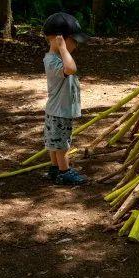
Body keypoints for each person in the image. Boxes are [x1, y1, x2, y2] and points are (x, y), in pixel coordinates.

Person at [42, 12, 89, 185]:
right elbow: (71, 69)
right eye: (74, 40)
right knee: (62, 145)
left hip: (57, 110)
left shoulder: (54, 60)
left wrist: (62, 48)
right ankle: (64, 171)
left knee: (55, 142)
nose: (76, 45)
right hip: (59, 112)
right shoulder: (53, 62)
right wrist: (62, 48)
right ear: (60, 39)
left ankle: (55, 169)